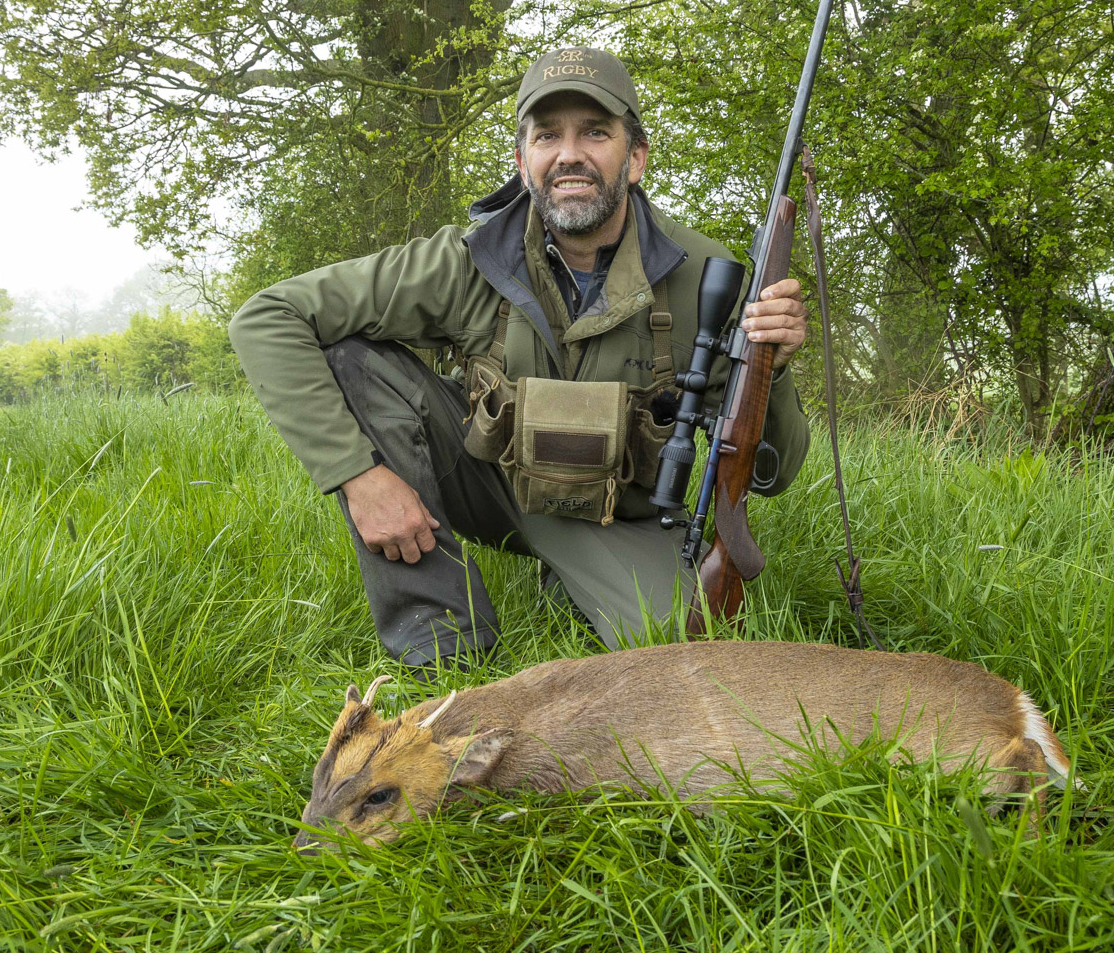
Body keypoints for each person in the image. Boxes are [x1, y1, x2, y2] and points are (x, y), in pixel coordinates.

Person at [228, 47, 810, 671]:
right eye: (546, 135)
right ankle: (443, 641)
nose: (569, 154)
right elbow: (267, 317)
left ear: (635, 157)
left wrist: (769, 370)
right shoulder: (465, 258)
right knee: (352, 358)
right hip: (493, 484)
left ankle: (573, 579)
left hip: (620, 519)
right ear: (522, 159)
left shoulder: (708, 275)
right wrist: (358, 475)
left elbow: (775, 475)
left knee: (688, 660)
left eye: (595, 132)